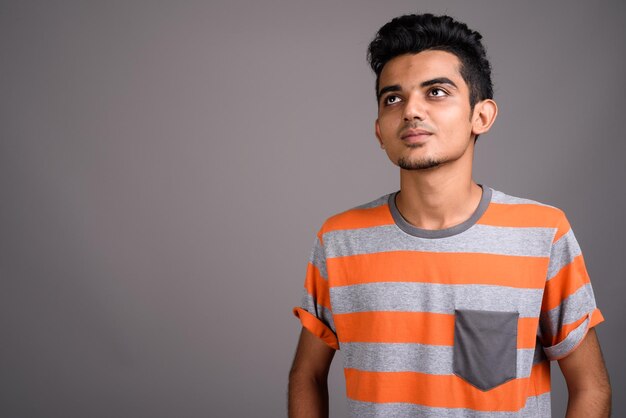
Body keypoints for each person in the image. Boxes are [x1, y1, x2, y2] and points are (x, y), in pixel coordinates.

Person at [287, 13, 611, 418]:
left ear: (482, 116)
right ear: (379, 130)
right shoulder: (339, 241)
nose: (410, 111)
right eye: (393, 98)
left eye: (436, 92)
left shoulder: (542, 233)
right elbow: (307, 376)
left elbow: (591, 387)